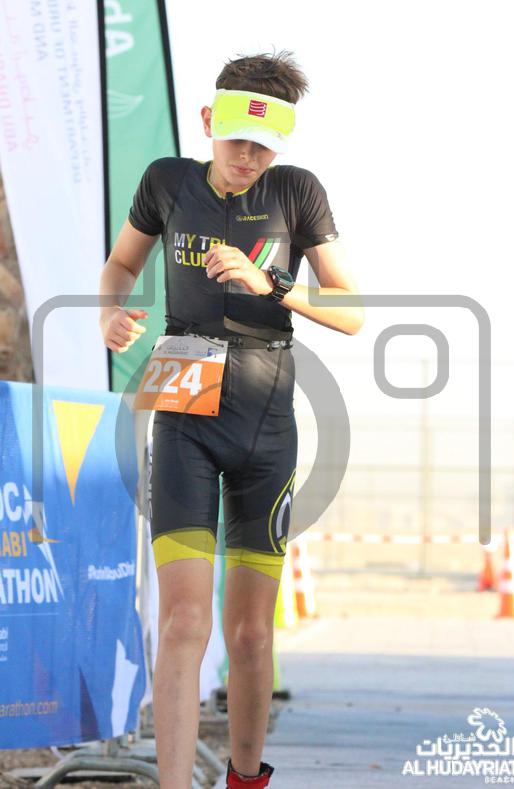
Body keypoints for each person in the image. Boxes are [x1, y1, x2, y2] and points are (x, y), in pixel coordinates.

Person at [99, 49, 364, 789]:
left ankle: (246, 778)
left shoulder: (297, 191)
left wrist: (271, 282)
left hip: (265, 424)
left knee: (250, 634)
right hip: (185, 415)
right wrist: (110, 312)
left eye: (264, 146)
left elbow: (352, 310)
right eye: (238, 141)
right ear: (208, 122)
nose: (248, 158)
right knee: (184, 621)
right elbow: (120, 265)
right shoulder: (167, 181)